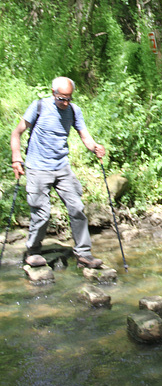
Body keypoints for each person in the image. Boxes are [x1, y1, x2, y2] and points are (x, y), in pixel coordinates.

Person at [10, 76, 106, 269]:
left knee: (77, 208)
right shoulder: (39, 107)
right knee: (41, 213)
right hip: (37, 167)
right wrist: (16, 158)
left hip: (62, 168)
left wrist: (95, 147)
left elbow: (84, 135)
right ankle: (33, 251)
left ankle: (84, 253)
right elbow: (16, 132)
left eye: (69, 98)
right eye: (61, 98)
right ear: (53, 93)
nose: (65, 102)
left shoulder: (73, 110)